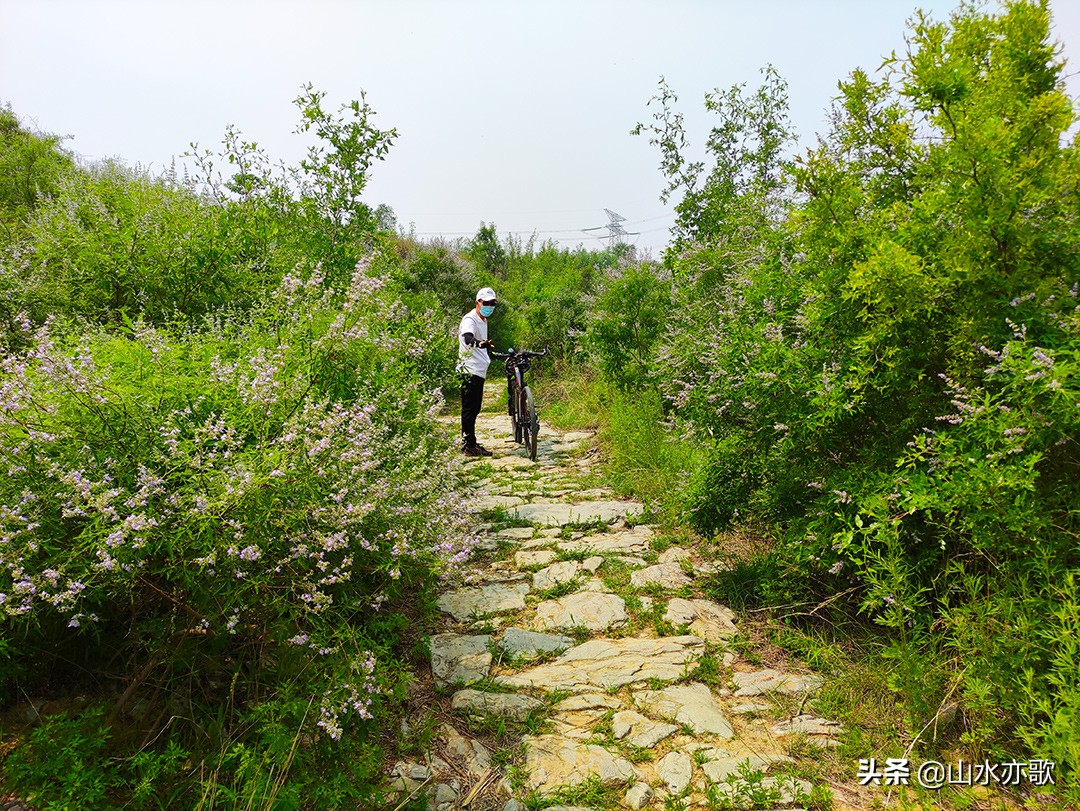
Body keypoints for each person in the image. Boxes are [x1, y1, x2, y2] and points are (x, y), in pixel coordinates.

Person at [457, 287, 497, 456]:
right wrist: (480, 344)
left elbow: (481, 345)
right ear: (477, 302)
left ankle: (470, 442)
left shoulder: (483, 320)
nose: (489, 306)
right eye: (486, 303)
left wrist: (488, 352)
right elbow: (468, 338)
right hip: (469, 370)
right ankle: (469, 445)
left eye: (492, 303)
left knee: (474, 408)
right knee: (469, 408)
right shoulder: (470, 319)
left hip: (478, 370)